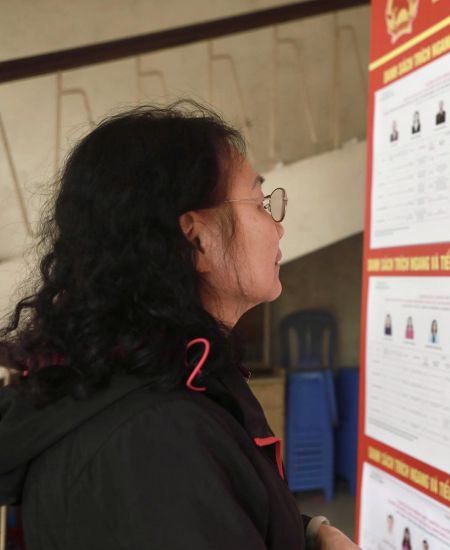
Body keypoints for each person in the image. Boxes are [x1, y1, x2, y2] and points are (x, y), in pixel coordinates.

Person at [0, 102, 357, 549]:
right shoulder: (153, 441)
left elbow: (209, 511)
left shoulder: (164, 375)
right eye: (261, 203)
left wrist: (308, 535)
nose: (278, 228)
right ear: (196, 239)